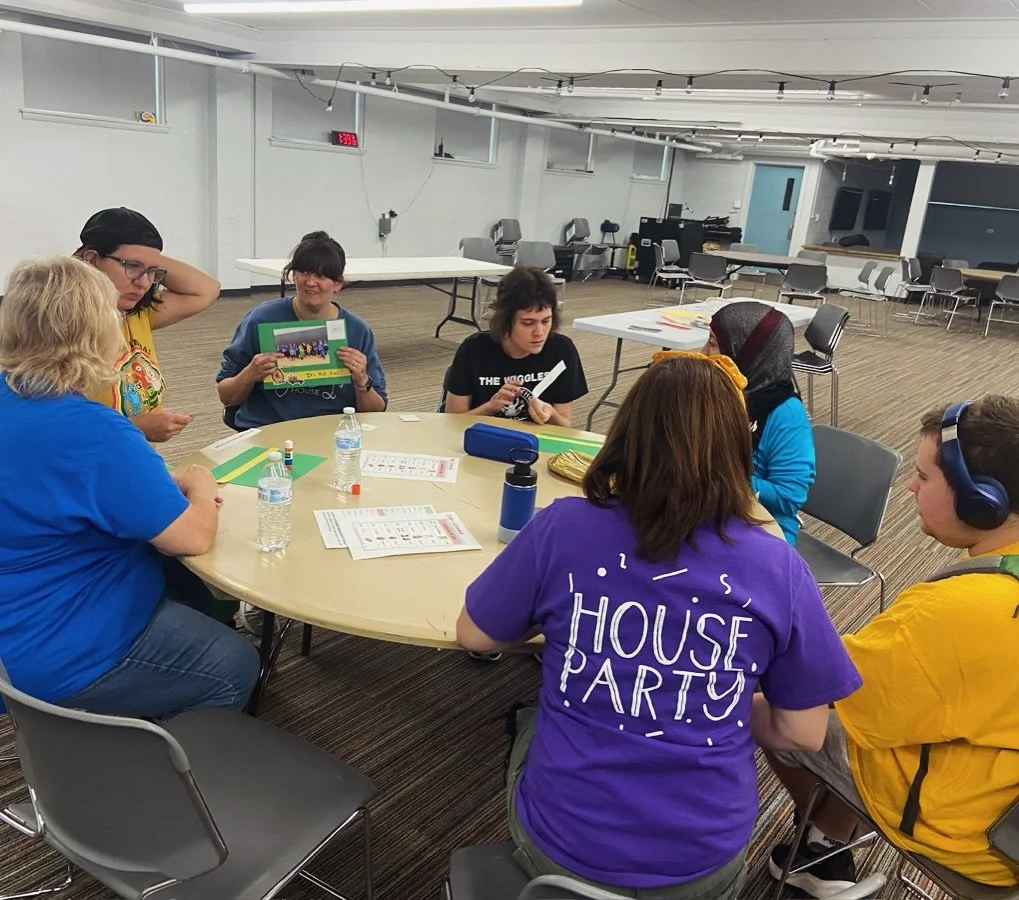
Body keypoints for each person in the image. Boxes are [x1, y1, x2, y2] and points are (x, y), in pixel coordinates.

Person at [457, 352, 861, 898]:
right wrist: (696, 696)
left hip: (560, 853)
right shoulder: (777, 566)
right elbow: (803, 732)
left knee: (527, 719)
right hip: (705, 866)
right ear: (737, 448)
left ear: (625, 433)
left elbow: (474, 636)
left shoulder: (562, 527)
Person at [764, 395, 1019, 896]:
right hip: (1001, 790)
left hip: (970, 838)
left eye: (924, 478)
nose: (908, 486)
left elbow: (825, 688)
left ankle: (818, 852)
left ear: (981, 501)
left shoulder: (955, 612)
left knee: (779, 711)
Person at [0, 257, 258, 719]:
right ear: (99, 332)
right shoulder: (95, 430)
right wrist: (199, 484)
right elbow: (193, 536)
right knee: (235, 663)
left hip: (18, 618)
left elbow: (61, 484)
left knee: (179, 578)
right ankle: (141, 767)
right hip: (60, 648)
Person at [75, 207, 221, 443]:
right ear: (92, 260)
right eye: (132, 266)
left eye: (152, 271)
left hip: (129, 458)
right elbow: (41, 426)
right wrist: (133, 427)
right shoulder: (58, 329)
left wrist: (144, 253)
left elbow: (206, 289)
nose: (143, 283)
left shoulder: (134, 314)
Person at [217, 231, 387, 428]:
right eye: (304, 272)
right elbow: (226, 397)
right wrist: (249, 373)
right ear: (294, 275)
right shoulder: (261, 319)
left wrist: (361, 380)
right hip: (268, 429)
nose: (310, 282)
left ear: (338, 283)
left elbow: (377, 413)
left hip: (331, 432)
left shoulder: (356, 330)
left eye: (321, 275)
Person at [704, 301, 814, 543]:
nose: (703, 353)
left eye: (712, 343)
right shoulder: (715, 393)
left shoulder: (785, 413)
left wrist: (711, 477)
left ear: (744, 350)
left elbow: (789, 496)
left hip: (759, 528)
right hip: (703, 511)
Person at [444, 267, 587, 427]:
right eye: (528, 323)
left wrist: (551, 414)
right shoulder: (474, 349)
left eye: (546, 321)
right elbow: (452, 423)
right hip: (481, 438)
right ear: (505, 321)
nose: (539, 332)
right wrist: (489, 408)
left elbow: (565, 425)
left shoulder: (562, 350)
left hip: (534, 443)